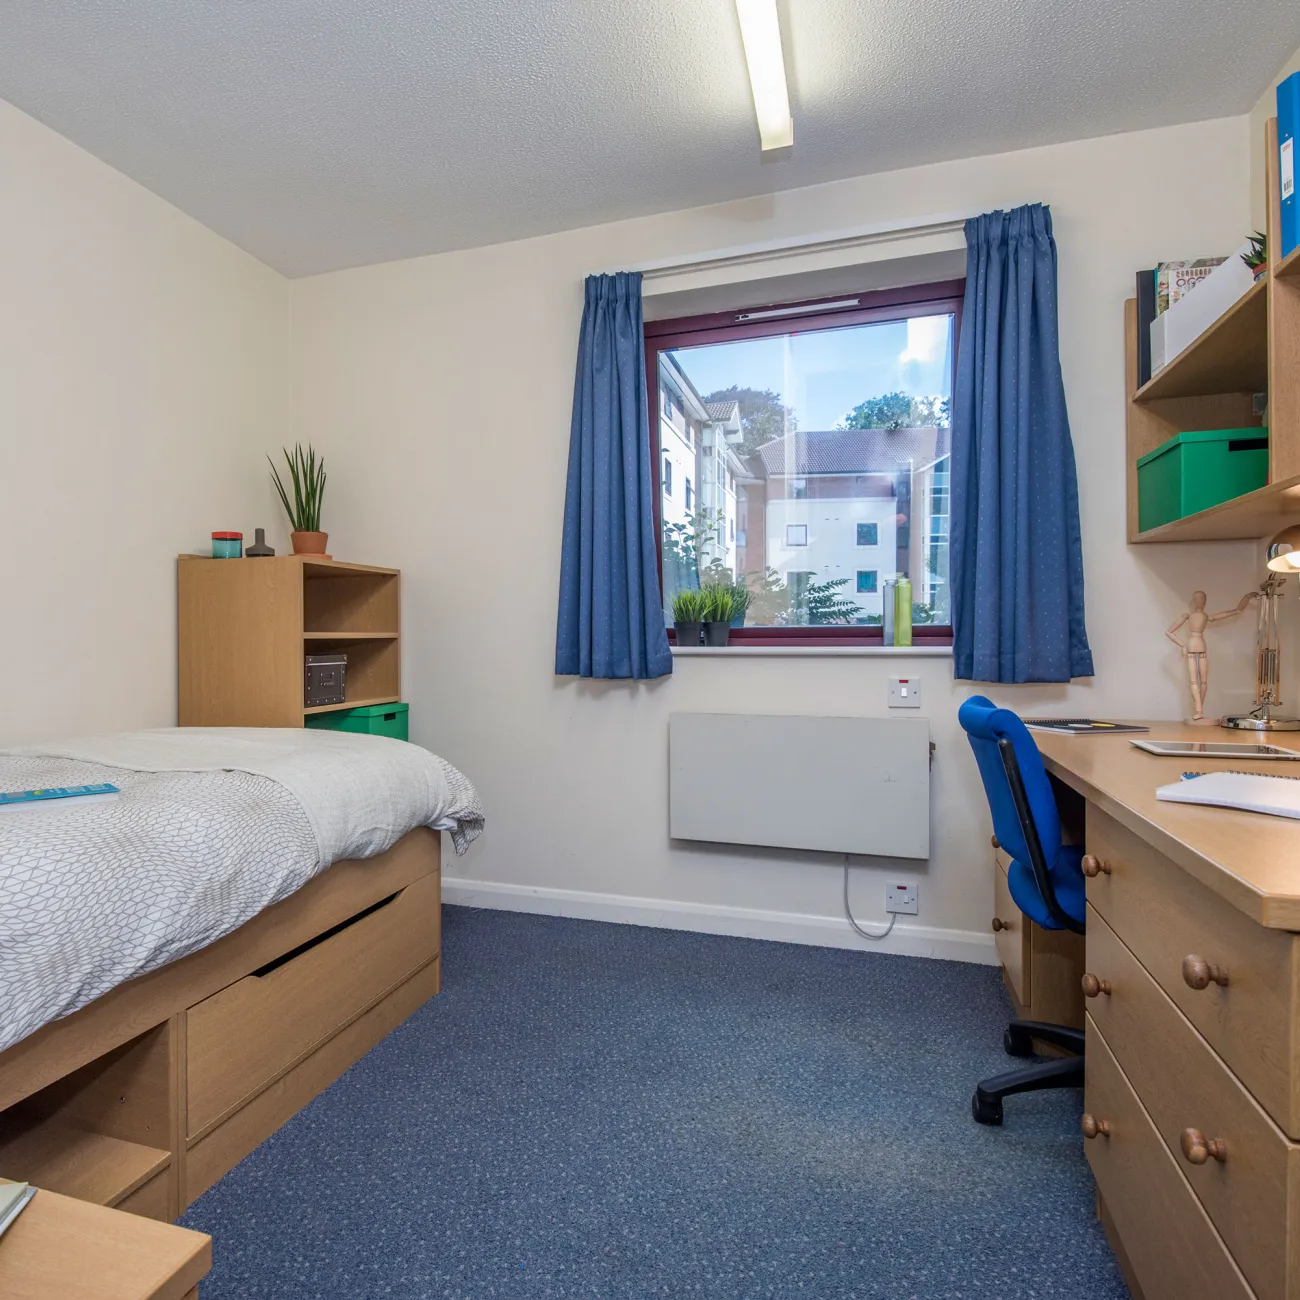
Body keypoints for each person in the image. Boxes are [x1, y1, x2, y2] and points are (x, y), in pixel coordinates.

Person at [1166, 590, 1257, 721]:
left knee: (1202, 682)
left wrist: (1247, 597)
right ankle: (1199, 710)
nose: (1201, 602)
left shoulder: (1205, 616)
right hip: (1193, 646)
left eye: (1203, 599)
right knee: (1194, 681)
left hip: (1200, 646)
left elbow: (1236, 611)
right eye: (1199, 599)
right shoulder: (1188, 616)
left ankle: (1199, 710)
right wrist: (1183, 645)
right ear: (1195, 601)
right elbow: (1169, 632)